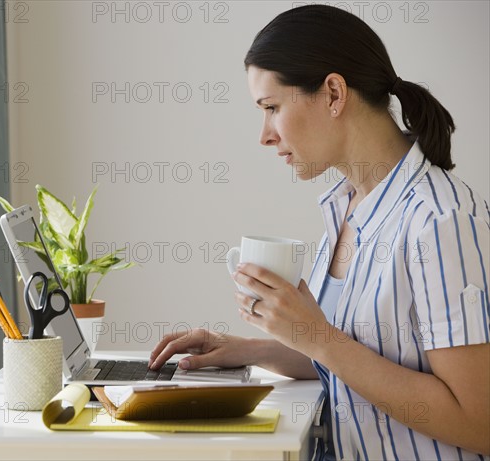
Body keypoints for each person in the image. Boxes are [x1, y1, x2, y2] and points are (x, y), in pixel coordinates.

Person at [148, 5, 490, 460]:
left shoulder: (441, 221)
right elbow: (360, 358)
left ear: (333, 93)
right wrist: (247, 350)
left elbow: (479, 421)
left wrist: (316, 336)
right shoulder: (347, 206)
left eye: (271, 107)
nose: (264, 136)